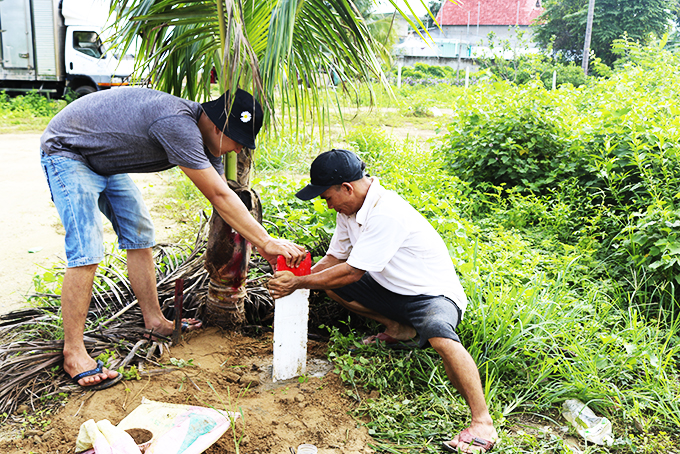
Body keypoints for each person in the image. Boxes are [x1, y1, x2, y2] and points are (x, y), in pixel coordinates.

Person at [41, 87, 306, 390]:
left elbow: (223, 198)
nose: (236, 151)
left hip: (103, 159)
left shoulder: (208, 144)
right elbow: (220, 195)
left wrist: (263, 247)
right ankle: (73, 353)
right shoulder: (178, 124)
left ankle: (155, 321)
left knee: (141, 236)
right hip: (69, 152)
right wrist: (267, 242)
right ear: (219, 128)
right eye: (237, 141)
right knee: (87, 250)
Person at [267, 149, 498, 453]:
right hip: (391, 290)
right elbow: (335, 259)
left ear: (346, 188)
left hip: (431, 295)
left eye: (327, 197)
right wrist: (296, 274)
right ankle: (398, 328)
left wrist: (298, 282)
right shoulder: (349, 211)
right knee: (331, 286)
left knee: (440, 336)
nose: (328, 205)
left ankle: (482, 422)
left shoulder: (385, 212)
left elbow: (350, 272)